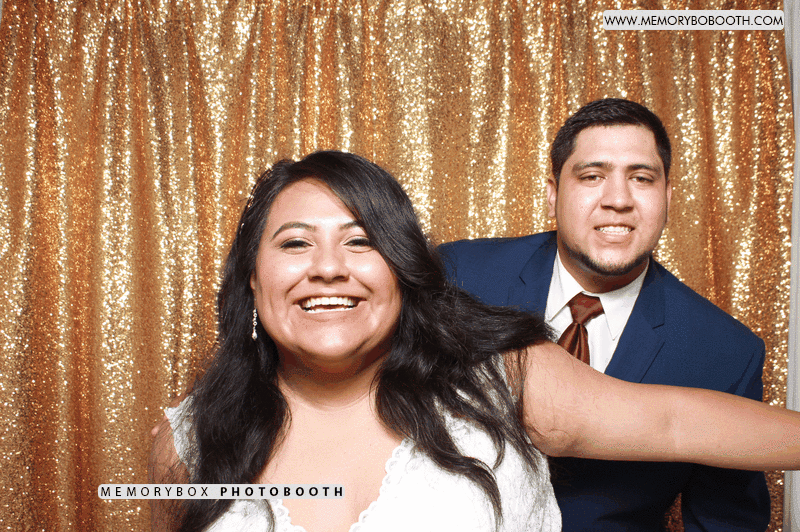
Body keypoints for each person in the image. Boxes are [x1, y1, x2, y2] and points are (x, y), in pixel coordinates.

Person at [150, 150, 800, 532]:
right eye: (295, 243)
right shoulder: (187, 446)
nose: (328, 267)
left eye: (361, 241)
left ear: (402, 272)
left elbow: (673, 423)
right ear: (252, 280)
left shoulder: (500, 381)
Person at [438, 98, 771, 531]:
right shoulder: (458, 276)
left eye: (642, 178)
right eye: (592, 176)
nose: (618, 200)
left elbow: (726, 522)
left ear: (668, 197)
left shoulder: (726, 352)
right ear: (553, 193)